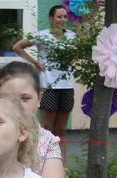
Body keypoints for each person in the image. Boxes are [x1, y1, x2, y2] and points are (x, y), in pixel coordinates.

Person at [12, 5, 76, 156]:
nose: (62, 20)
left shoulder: (72, 36)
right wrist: (35, 63)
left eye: (65, 17)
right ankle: (42, 161)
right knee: (47, 128)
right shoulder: (42, 36)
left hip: (67, 86)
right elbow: (17, 47)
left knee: (61, 130)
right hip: (49, 86)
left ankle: (62, 165)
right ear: (51, 18)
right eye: (59, 16)